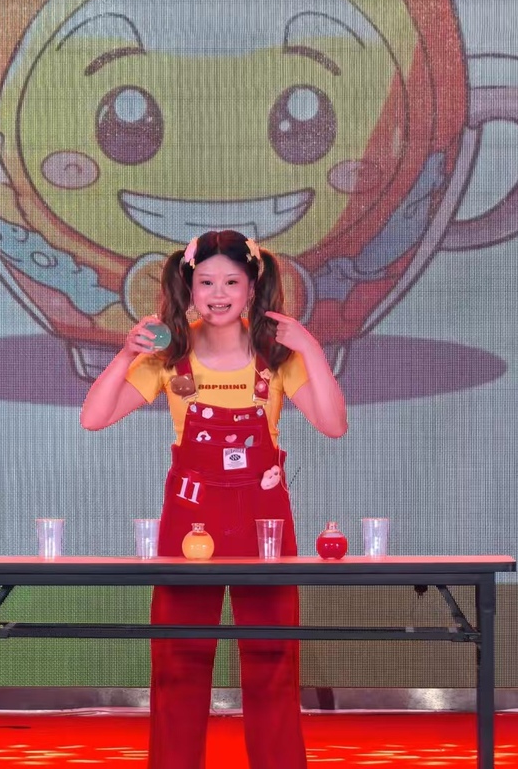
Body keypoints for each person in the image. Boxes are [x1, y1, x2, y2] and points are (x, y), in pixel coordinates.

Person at [80, 230, 347, 769]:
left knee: (273, 658)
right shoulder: (169, 356)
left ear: (252, 288)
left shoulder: (277, 356)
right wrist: (125, 354)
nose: (218, 294)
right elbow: (94, 417)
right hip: (190, 519)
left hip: (265, 524)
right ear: (189, 287)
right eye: (205, 283)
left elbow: (333, 424)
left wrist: (311, 349)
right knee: (178, 658)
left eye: (231, 282)